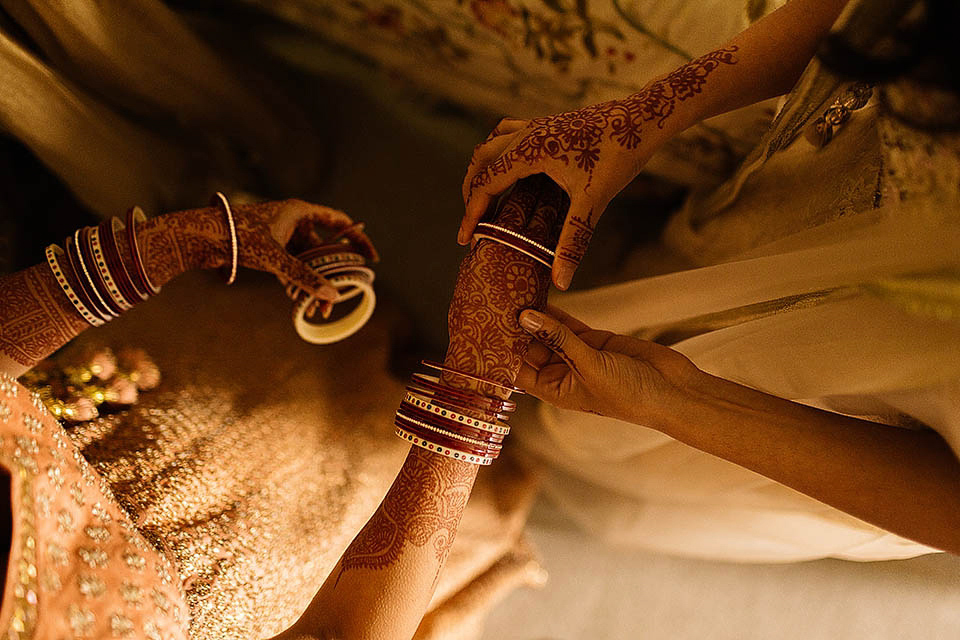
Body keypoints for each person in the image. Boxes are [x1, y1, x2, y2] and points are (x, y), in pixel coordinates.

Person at [461, 0, 960, 561]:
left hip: (857, 422)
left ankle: (535, 457)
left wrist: (677, 402)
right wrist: (637, 118)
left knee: (619, 437)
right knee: (657, 294)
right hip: (814, 213)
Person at [0, 182, 561, 639]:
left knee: (266, 346)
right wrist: (477, 377)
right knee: (359, 456)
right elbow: (340, 633)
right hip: (234, 583)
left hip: (89, 434)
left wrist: (184, 242)